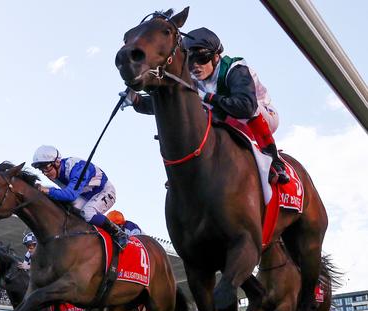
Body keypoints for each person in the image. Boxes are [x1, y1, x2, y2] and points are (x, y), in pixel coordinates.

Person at [122, 27, 289, 184]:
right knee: (193, 112)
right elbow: (170, 103)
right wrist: (136, 101)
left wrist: (207, 97)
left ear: (216, 56)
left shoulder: (236, 69)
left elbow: (245, 107)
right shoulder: (192, 79)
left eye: (201, 58)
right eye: (190, 60)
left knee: (237, 110)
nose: (195, 66)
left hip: (260, 115)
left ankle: (274, 160)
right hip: (227, 118)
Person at [31, 145, 128, 248]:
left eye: (46, 167)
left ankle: (118, 233)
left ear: (57, 162)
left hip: (105, 191)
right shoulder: (53, 172)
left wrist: (46, 190)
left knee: (87, 213)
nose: (45, 172)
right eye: (41, 169)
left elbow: (70, 195)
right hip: (84, 196)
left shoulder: (78, 168)